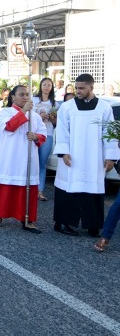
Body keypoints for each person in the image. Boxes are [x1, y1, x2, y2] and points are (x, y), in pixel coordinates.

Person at [53, 73, 120, 236]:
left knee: (93, 191)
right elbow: (61, 130)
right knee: (67, 189)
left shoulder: (104, 107)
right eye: (76, 88)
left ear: (92, 87)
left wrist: (111, 156)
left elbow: (109, 132)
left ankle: (93, 225)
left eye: (82, 88)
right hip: (72, 157)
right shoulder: (67, 107)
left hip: (94, 157)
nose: (78, 91)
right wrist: (64, 151)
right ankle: (62, 223)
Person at [0, 85, 47, 233]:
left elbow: (43, 134)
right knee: (7, 185)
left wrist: (36, 137)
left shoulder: (35, 116)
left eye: (27, 94)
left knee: (28, 187)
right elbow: (9, 126)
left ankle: (27, 218)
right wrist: (23, 111)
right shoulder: (6, 112)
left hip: (29, 157)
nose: (25, 97)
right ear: (13, 97)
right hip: (11, 157)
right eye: (21, 94)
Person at [32, 78, 59, 201]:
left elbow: (56, 123)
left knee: (42, 163)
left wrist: (52, 118)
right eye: (44, 84)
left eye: (49, 85)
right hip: (33, 133)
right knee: (31, 161)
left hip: (47, 134)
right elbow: (29, 116)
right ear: (40, 86)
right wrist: (39, 116)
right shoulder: (33, 100)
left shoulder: (55, 104)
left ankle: (39, 190)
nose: (47, 87)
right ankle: (28, 189)